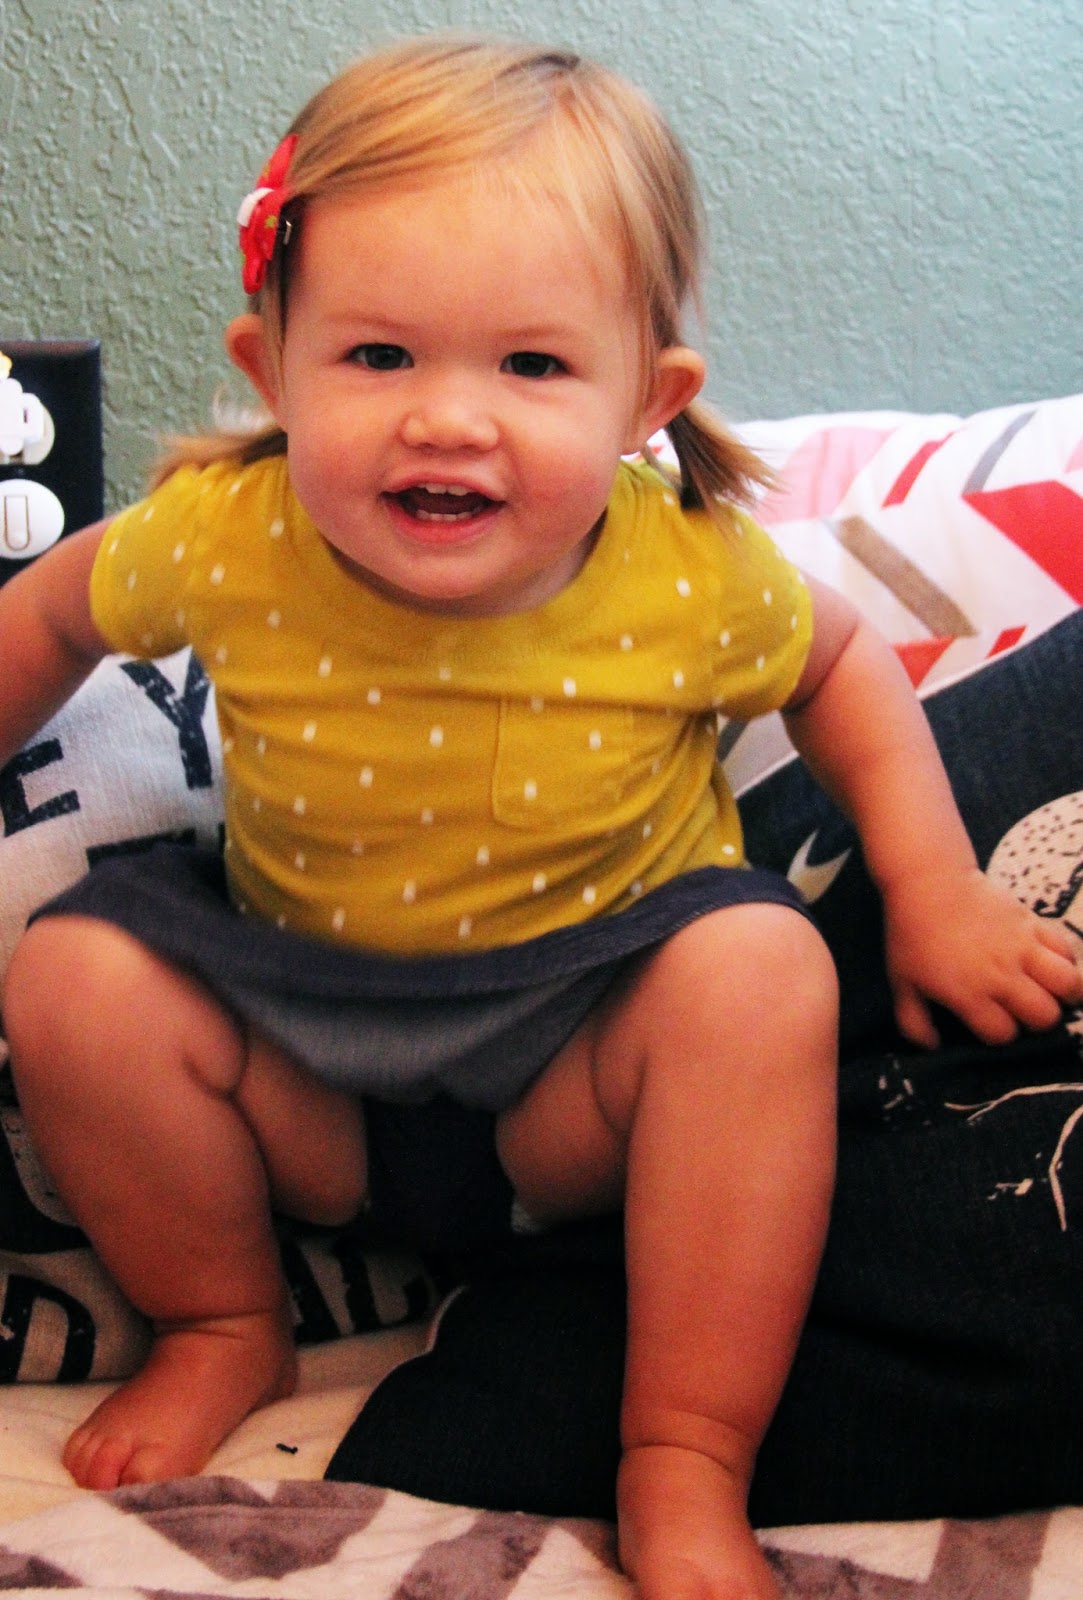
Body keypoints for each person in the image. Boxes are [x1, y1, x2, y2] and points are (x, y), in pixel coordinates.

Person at [1, 35, 1079, 1600]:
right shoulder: (225, 535)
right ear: (271, 369)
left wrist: (932, 888)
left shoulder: (687, 567)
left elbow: (844, 670)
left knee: (760, 969)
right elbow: (47, 613)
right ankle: (222, 1319)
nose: (449, 419)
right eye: (379, 357)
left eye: (532, 367)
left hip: (587, 1084)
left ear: (650, 398)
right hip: (303, 1060)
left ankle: (685, 1451)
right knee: (72, 973)